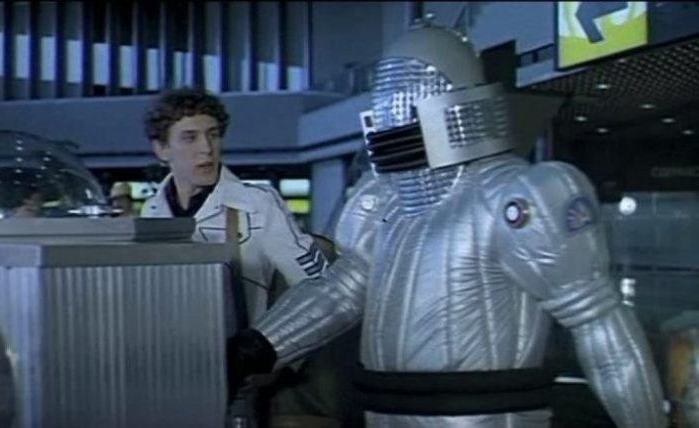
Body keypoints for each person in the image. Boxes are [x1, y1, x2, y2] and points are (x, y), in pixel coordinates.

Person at [227, 24, 667, 428]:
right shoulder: (386, 204)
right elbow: (340, 292)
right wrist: (262, 344)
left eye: (407, 96)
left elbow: (601, 326)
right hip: (383, 412)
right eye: (388, 97)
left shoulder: (520, 193)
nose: (393, 111)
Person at [140, 86, 328, 337]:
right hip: (172, 351)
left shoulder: (257, 204)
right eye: (190, 138)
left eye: (213, 135)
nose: (206, 148)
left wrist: (273, 346)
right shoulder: (152, 211)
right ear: (162, 149)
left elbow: (319, 290)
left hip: (243, 355)